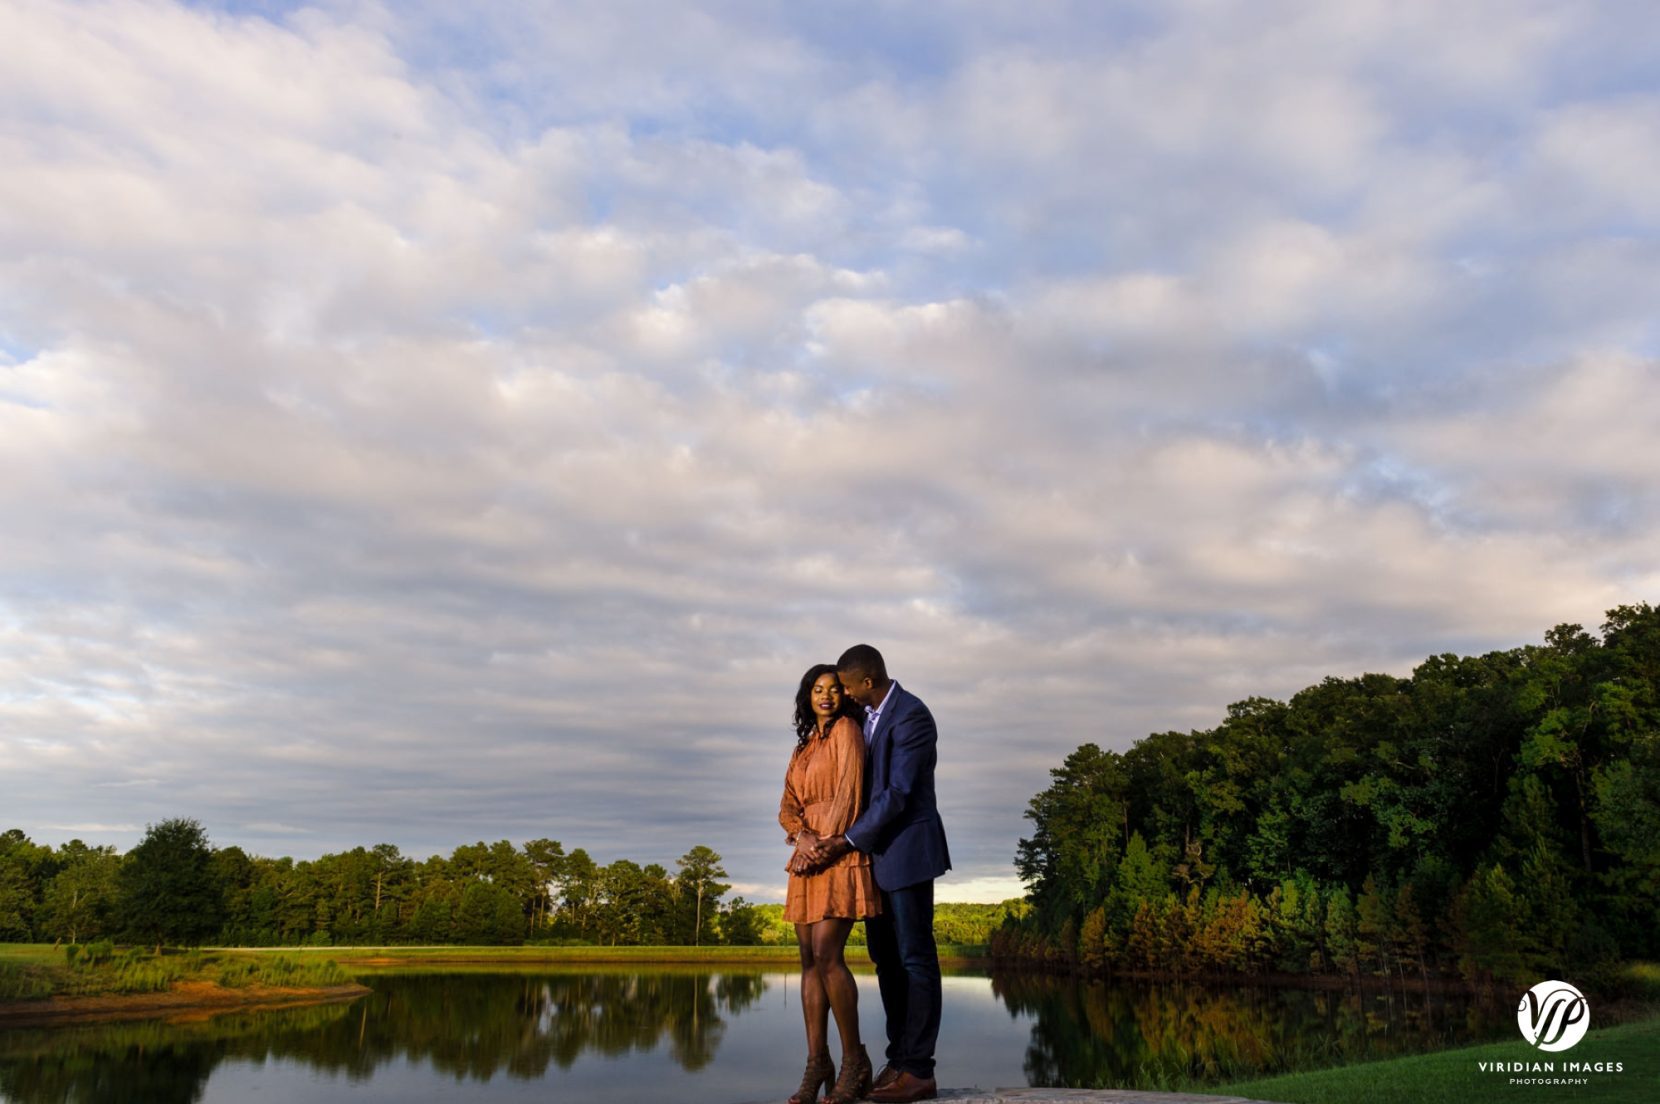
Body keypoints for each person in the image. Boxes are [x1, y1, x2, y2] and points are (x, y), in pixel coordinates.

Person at [808, 644, 950, 1103]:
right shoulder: (863, 720)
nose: (842, 694)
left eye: (846, 686)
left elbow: (898, 793)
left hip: (907, 853)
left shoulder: (912, 716)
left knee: (916, 959)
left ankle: (920, 1071)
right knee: (886, 961)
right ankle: (899, 1058)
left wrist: (846, 840)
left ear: (867, 682)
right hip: (875, 861)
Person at [779, 664, 881, 1104]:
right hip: (806, 855)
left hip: (838, 852)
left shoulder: (847, 732)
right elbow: (786, 805)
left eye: (834, 689)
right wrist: (800, 837)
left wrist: (824, 844)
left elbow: (849, 793)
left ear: (845, 695)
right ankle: (816, 1062)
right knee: (807, 958)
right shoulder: (802, 748)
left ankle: (854, 1061)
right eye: (817, 689)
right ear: (808, 696)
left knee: (827, 953)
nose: (826, 696)